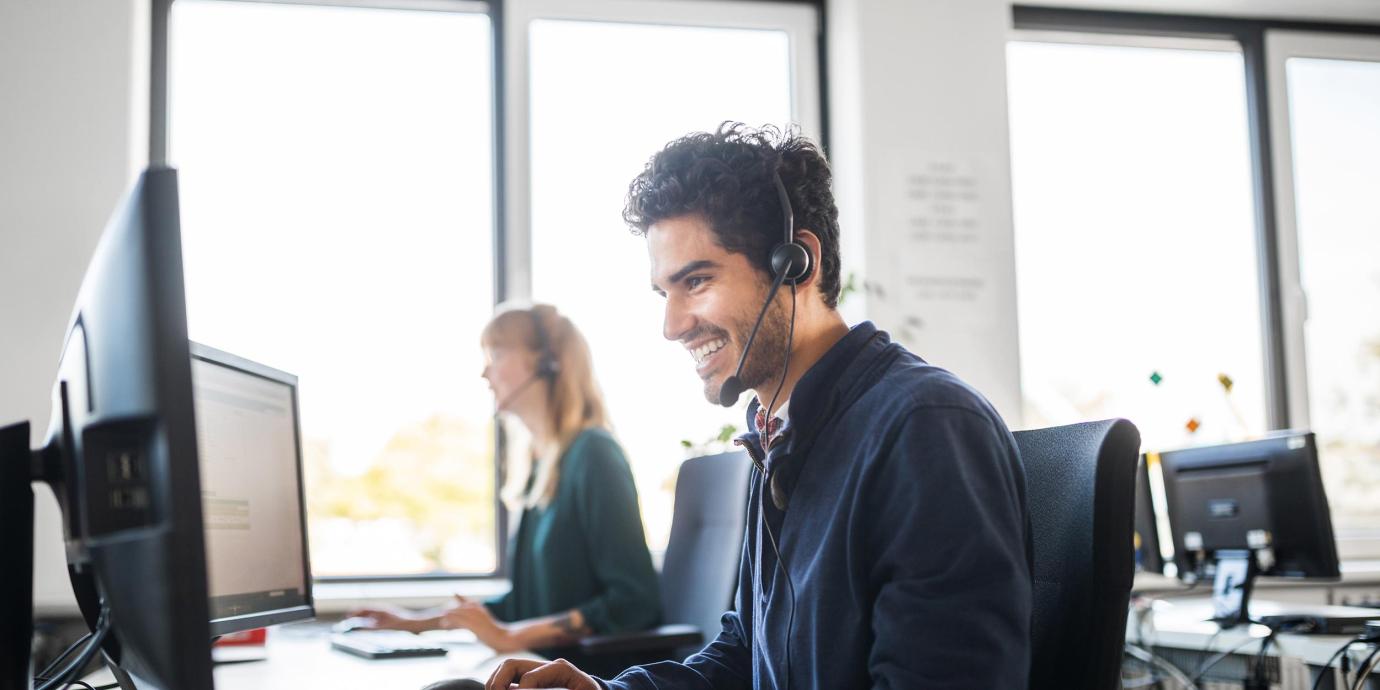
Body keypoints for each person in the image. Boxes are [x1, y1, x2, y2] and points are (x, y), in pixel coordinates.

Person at [487, 124, 1032, 690]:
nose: (672, 326)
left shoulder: (924, 428)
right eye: (663, 293)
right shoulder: (780, 438)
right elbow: (745, 654)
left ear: (797, 263)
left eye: (696, 281)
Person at [351, 304, 662, 666]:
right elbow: (522, 604)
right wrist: (415, 623)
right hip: (538, 668)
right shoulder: (542, 465)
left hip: (585, 676)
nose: (485, 372)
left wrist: (512, 637)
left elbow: (634, 600)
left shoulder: (594, 454)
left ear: (547, 362)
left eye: (496, 355)